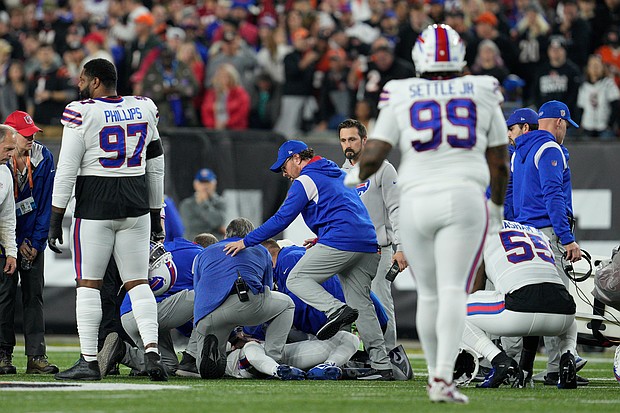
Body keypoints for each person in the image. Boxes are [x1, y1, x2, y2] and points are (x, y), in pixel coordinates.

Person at [348, 24, 509, 402]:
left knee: (431, 295)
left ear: (419, 56)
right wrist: (497, 208)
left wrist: (346, 180)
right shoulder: (483, 88)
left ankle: (437, 377)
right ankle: (441, 378)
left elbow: (374, 153)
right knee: (455, 290)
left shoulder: (401, 90)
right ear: (460, 56)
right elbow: (499, 163)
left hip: (417, 197)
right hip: (464, 195)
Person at [224, 140, 393, 381]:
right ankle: (381, 364)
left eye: (284, 167)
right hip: (368, 243)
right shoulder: (336, 172)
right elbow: (351, 208)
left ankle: (337, 310)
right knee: (362, 305)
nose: (284, 174)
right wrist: (323, 236)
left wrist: (246, 241)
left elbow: (282, 219)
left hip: (343, 241)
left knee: (297, 279)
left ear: (296, 159)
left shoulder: (306, 178)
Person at [48, 58, 167, 381]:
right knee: (138, 282)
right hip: (137, 202)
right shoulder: (143, 107)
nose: (79, 84)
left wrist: (56, 216)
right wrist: (157, 213)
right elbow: (156, 165)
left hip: (96, 205)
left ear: (96, 82)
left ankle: (89, 361)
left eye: (83, 78)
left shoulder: (82, 112)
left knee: (88, 284)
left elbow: (68, 168)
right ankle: (152, 354)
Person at [511, 99, 587, 386]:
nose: (565, 130)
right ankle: (561, 362)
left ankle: (523, 365)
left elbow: (513, 197)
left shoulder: (518, 150)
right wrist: (567, 238)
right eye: (566, 124)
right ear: (558, 122)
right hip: (547, 234)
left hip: (524, 233)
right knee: (560, 301)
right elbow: (553, 195)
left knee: (532, 302)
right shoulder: (550, 148)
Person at [463, 220, 578, 389]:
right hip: (562, 316)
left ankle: (499, 361)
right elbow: (538, 295)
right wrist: (525, 367)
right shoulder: (537, 233)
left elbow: (475, 288)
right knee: (556, 305)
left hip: (518, 312)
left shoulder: (480, 229)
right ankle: (568, 356)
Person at [193, 218, 295, 379]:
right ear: (251, 236)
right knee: (287, 304)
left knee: (211, 359)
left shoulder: (204, 253)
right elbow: (265, 288)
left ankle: (210, 362)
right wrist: (248, 331)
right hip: (245, 303)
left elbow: (198, 290)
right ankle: (271, 358)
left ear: (226, 235)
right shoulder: (260, 250)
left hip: (208, 315)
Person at [338, 118, 407, 351]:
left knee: (382, 302)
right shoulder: (342, 173)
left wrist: (401, 248)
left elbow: (397, 210)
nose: (348, 144)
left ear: (364, 140)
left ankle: (389, 355)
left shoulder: (384, 169)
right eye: (343, 140)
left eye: (352, 139)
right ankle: (363, 352)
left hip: (380, 249)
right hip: (352, 251)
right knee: (355, 304)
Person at [99, 236, 206, 377]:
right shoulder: (202, 258)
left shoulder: (170, 246)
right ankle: (190, 360)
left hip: (128, 314)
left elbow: (178, 311)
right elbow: (201, 307)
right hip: (149, 313)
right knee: (206, 298)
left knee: (167, 366)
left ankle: (122, 351)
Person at [0, 111, 57, 374]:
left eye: (33, 133)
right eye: (26, 135)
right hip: (7, 240)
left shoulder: (44, 158)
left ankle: (36, 356)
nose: (32, 138)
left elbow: (45, 203)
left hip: (32, 240)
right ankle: (3, 355)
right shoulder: (3, 161)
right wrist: (14, 242)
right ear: (9, 132)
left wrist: (36, 242)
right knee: (5, 296)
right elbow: (6, 212)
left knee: (34, 295)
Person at [225, 329, 360, 380]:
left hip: (282, 352)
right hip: (244, 357)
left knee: (348, 338)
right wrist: (234, 338)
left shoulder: (279, 293)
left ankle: (326, 367)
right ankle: (277, 371)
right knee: (251, 347)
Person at [0, 125, 17, 374]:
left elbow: (7, 216)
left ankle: (2, 353)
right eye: (8, 148)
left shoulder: (4, 172)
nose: (12, 154)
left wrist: (11, 249)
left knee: (3, 302)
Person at [504, 108, 539, 221]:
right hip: (517, 223)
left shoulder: (544, 152)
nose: (508, 134)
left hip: (515, 223)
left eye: (511, 129)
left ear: (525, 128)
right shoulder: (514, 154)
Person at [179, 168, 226, 240]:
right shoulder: (187, 204)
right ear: (195, 184)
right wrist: (216, 228)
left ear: (214, 184)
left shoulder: (220, 202)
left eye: (208, 182)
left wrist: (204, 203)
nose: (205, 186)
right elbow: (191, 226)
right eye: (202, 182)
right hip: (193, 243)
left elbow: (218, 222)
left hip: (215, 244)